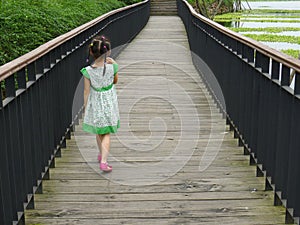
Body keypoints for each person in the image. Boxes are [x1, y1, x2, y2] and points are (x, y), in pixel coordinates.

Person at [80, 35, 119, 172]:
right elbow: (115, 81)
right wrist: (114, 64)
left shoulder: (87, 71)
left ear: (91, 52)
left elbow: (86, 91)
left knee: (99, 130)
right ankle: (104, 161)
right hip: (108, 102)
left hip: (95, 102)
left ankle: (101, 154)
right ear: (107, 52)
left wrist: (86, 107)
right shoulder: (112, 67)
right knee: (107, 132)